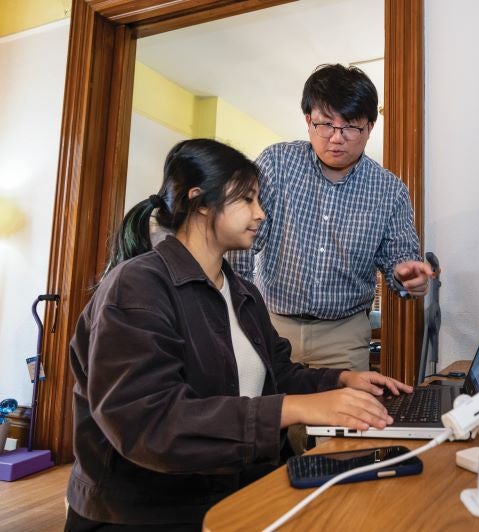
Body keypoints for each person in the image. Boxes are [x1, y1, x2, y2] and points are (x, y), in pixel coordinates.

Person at [65, 139, 411, 531]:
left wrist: (343, 380)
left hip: (225, 497)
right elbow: (150, 423)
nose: (261, 214)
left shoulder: (242, 291)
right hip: (142, 514)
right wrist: (294, 409)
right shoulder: (137, 286)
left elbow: (277, 371)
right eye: (247, 200)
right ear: (200, 202)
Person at [229, 64, 433, 372]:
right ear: (307, 120)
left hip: (344, 336)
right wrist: (240, 310)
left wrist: (407, 276)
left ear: (370, 127)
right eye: (324, 124)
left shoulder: (390, 190)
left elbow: (399, 260)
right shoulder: (276, 164)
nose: (336, 138)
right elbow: (241, 238)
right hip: (271, 323)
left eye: (351, 127)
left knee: (345, 418)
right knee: (264, 415)